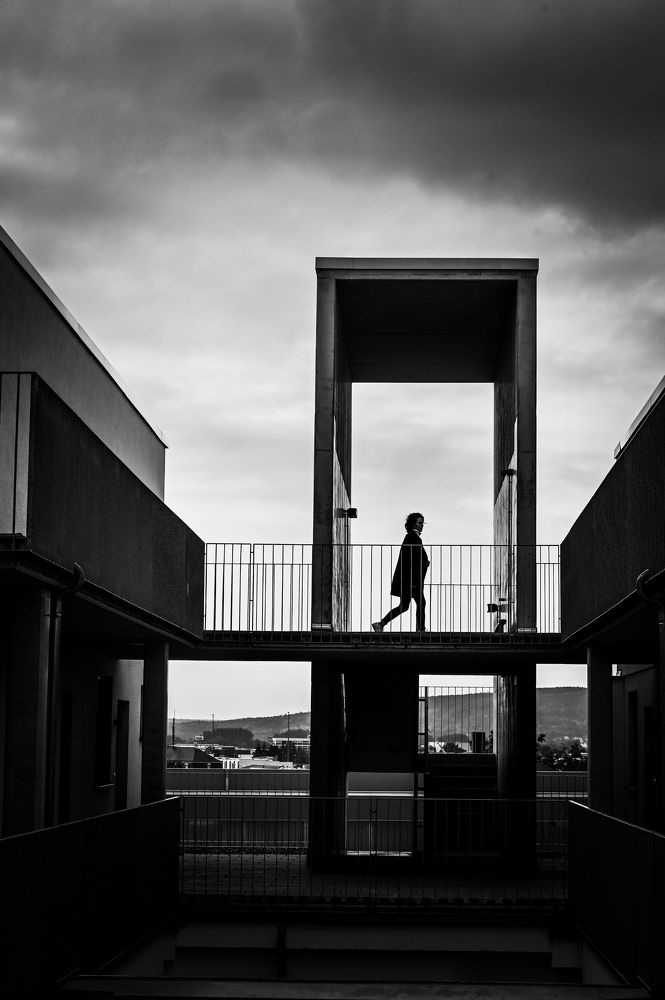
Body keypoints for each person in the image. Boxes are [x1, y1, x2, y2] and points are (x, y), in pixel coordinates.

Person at [372, 513, 429, 632]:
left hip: (409, 579)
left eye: (422, 523)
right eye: (419, 523)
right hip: (411, 580)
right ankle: (421, 630)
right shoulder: (413, 537)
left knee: (404, 606)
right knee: (420, 603)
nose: (421, 526)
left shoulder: (411, 537)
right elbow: (412, 560)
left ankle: (380, 624)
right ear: (413, 524)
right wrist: (424, 563)